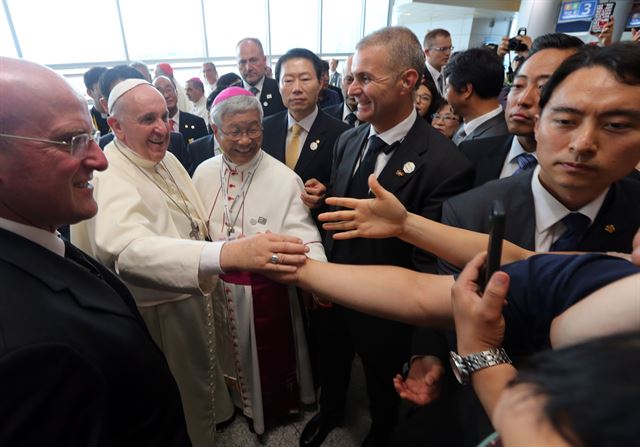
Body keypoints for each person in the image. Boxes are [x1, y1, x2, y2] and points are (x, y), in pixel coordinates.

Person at [71, 79, 310, 447]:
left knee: (202, 377)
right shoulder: (111, 173)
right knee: (179, 389)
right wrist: (225, 255)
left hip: (194, 291)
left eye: (165, 117)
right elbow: (127, 251)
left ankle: (217, 419)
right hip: (159, 309)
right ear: (115, 125)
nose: (161, 128)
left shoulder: (164, 158)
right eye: (147, 119)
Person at [0, 56, 191, 446]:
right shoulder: (23, 350)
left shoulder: (35, 235)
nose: (100, 159)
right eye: (72, 141)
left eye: (91, 136)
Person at [301, 26, 473, 447]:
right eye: (351, 78)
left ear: (408, 81)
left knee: (383, 384)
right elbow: (342, 215)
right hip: (335, 291)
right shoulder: (348, 139)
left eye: (365, 79)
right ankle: (330, 413)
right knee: (333, 365)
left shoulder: (447, 164)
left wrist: (424, 346)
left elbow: (434, 262)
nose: (352, 89)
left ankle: (380, 431)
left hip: (390, 310)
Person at [192, 87, 327, 436]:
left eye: (254, 129)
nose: (246, 139)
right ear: (216, 130)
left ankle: (271, 408)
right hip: (217, 284)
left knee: (266, 357)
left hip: (266, 290)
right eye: (235, 131)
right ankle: (234, 402)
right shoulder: (204, 172)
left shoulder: (283, 178)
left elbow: (305, 233)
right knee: (224, 351)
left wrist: (321, 279)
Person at [459, 33, 584, 187]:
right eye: (518, 85)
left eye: (543, 87)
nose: (523, 100)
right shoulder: (470, 154)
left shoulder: (584, 177)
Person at [262, 48, 349, 223]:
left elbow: (346, 188)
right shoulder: (264, 128)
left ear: (321, 83)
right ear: (278, 85)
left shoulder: (342, 134)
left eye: (305, 79)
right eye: (287, 80)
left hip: (317, 231)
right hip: (269, 225)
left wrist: (325, 193)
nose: (296, 89)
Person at [444, 48, 509, 145]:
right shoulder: (467, 125)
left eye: (447, 87)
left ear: (466, 90)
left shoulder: (494, 141)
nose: (445, 96)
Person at [236, 37, 286, 117]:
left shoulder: (280, 90)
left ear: (264, 60)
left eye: (253, 60)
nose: (248, 68)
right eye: (242, 62)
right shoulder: (230, 96)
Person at [153, 75, 208, 144]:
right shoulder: (152, 127)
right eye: (160, 92)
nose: (166, 95)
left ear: (176, 92)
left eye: (169, 90)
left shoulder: (197, 123)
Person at [423, 28, 452, 96]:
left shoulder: (449, 73)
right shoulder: (420, 77)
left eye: (450, 48)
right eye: (443, 49)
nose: (448, 53)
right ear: (427, 52)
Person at [83, 66, 110, 135]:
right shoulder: (85, 121)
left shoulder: (122, 115)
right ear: (89, 92)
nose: (108, 91)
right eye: (102, 87)